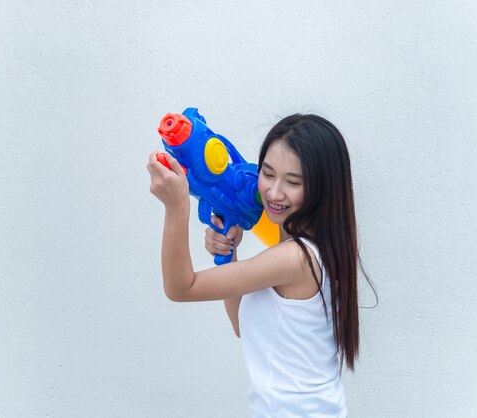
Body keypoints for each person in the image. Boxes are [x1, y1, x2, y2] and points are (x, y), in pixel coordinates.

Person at [147, 113, 372, 417]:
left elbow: (180, 288)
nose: (274, 193)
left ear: (322, 187)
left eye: (293, 182)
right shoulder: (313, 247)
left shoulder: (294, 258)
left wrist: (176, 206)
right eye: (268, 173)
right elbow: (245, 326)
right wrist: (228, 255)